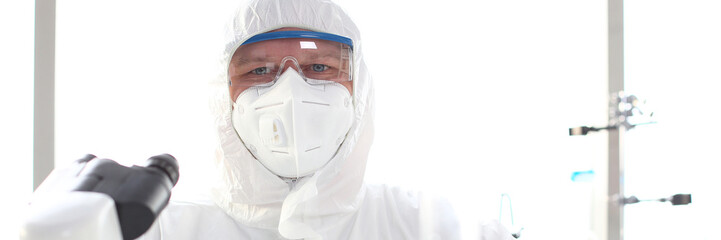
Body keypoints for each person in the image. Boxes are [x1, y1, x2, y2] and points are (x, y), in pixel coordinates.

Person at [138, 0, 514, 239]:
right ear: (224, 95)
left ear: (358, 90)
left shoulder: (424, 226)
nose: (289, 90)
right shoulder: (164, 229)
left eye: (319, 67)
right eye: (259, 71)